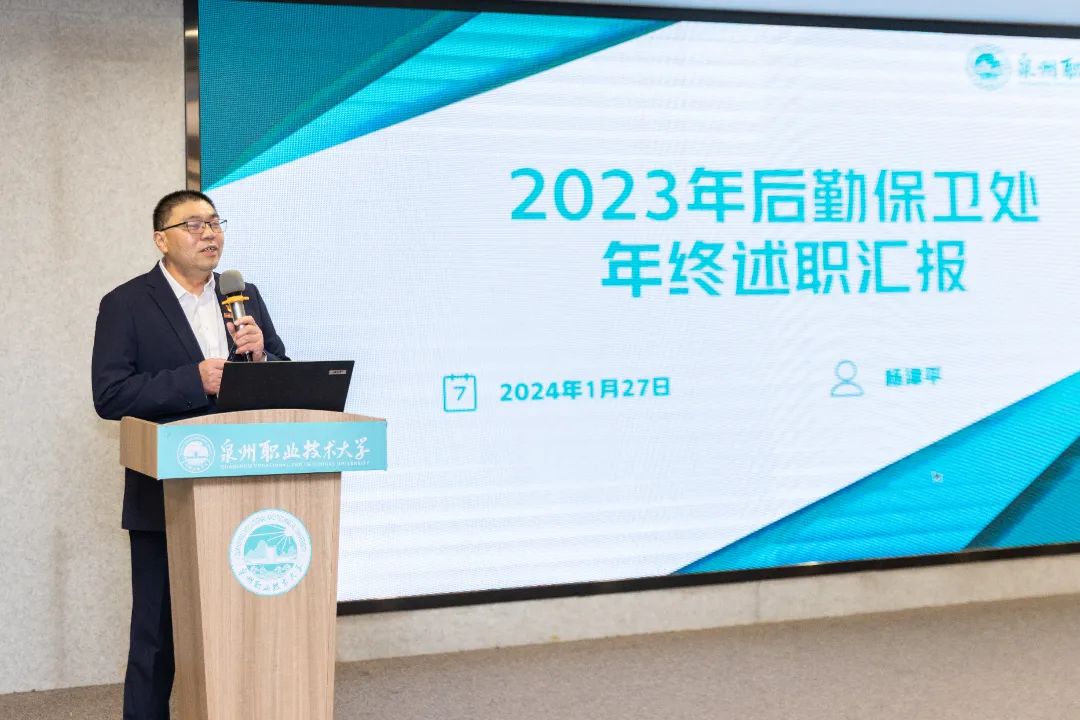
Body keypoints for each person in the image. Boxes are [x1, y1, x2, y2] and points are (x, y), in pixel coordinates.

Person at [91, 190, 288, 719]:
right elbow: (110, 395)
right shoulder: (126, 304)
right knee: (157, 635)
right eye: (194, 225)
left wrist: (261, 358)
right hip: (167, 493)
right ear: (162, 239)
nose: (210, 234)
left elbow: (285, 374)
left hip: (246, 490)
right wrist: (193, 381)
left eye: (215, 222)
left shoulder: (242, 296)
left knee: (241, 626)